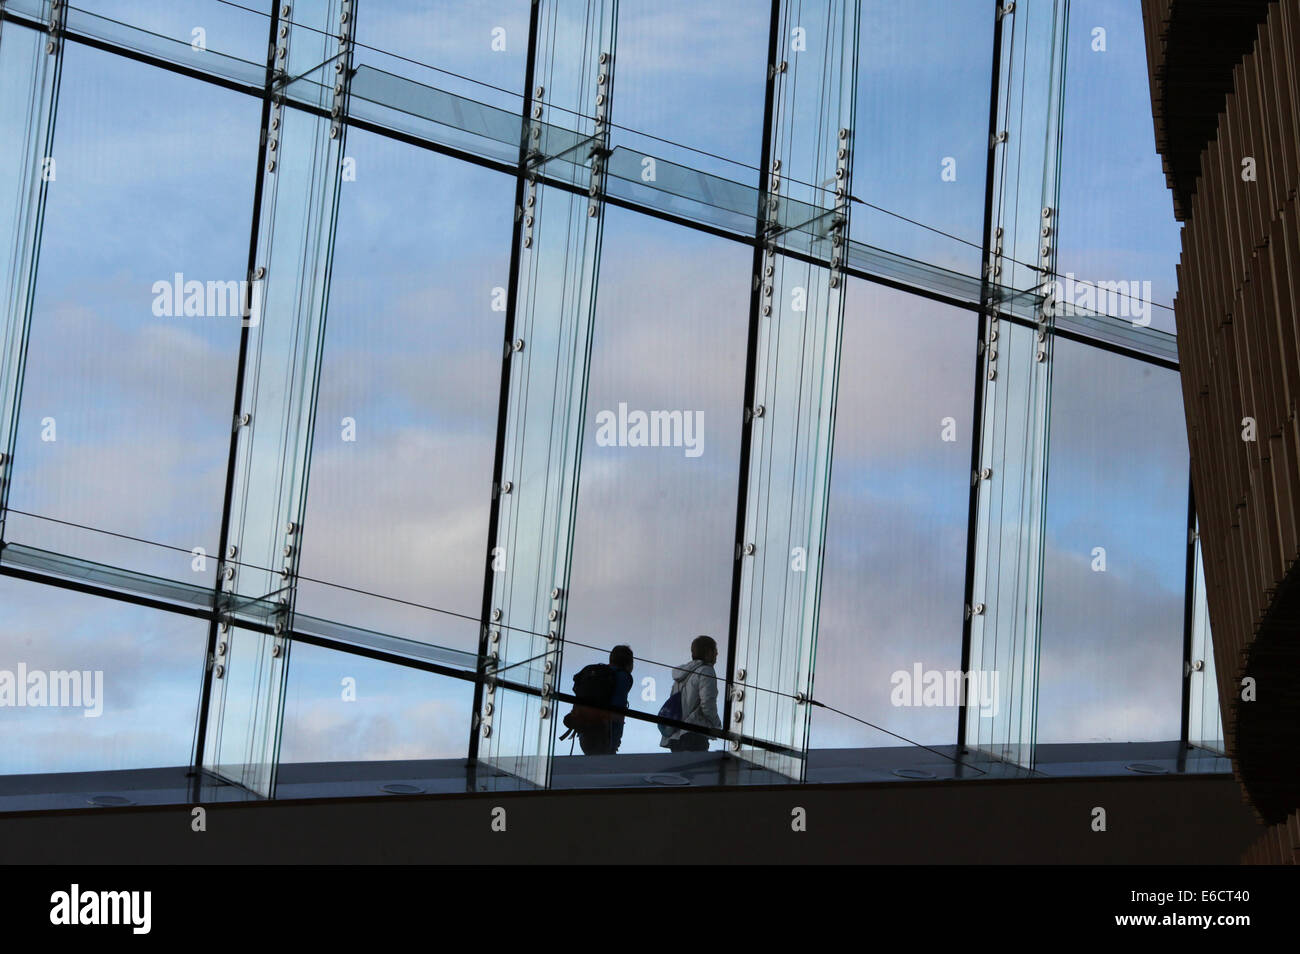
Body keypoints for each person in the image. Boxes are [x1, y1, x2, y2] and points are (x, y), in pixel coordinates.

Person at [562, 645, 635, 756]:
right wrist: (616, 739)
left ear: (611, 659)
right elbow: (618, 711)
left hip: (584, 732)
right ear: (629, 664)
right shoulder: (622, 677)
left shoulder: (595, 673)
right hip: (605, 735)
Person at [660, 635, 721, 753]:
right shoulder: (706, 671)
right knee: (696, 770)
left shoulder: (682, 674)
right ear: (708, 652)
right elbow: (707, 704)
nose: (717, 654)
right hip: (694, 734)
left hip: (675, 736)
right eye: (715, 650)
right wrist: (716, 724)